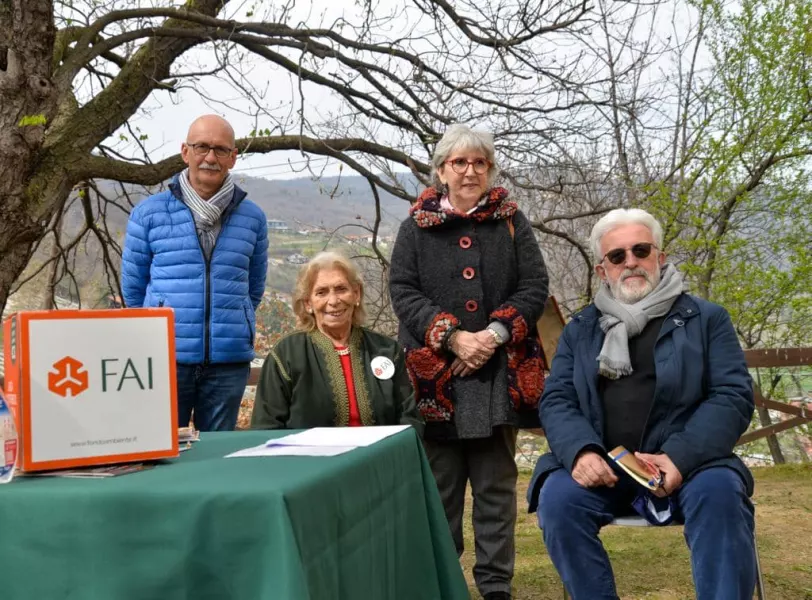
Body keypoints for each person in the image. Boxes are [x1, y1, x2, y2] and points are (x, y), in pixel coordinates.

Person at [527, 208, 756, 599]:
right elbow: (557, 399)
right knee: (558, 500)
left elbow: (732, 395)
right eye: (617, 256)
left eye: (641, 250)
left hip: (693, 466)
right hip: (605, 465)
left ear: (660, 257)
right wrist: (581, 452)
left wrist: (679, 458)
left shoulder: (707, 319)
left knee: (721, 494)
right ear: (603, 270)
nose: (630, 262)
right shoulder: (581, 329)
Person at [389, 124, 548, 600]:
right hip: (437, 377)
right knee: (441, 491)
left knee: (496, 489)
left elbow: (534, 287)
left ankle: (496, 586)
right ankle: (443, 583)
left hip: (499, 375)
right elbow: (402, 290)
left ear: (489, 169)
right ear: (441, 171)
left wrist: (494, 334)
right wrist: (453, 337)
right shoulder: (416, 227)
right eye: (459, 162)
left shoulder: (511, 222)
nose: (470, 171)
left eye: (479, 162)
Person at [121, 114, 268, 432]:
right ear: (185, 152)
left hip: (227, 361)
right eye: (202, 147)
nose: (210, 157)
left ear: (233, 157)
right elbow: (133, 289)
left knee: (216, 459)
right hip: (164, 358)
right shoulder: (149, 214)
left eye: (220, 149)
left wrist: (231, 322)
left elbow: (254, 288)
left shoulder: (253, 218)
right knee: (160, 450)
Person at [251, 251, 423, 434]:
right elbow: (265, 427)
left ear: (356, 294)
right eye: (321, 292)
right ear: (308, 303)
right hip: (312, 461)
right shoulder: (286, 355)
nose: (333, 301)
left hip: (379, 459)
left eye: (341, 289)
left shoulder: (387, 350)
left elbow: (410, 419)